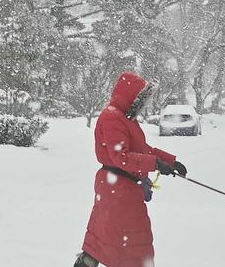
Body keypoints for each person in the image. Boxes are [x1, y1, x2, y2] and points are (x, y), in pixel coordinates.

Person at [74, 72, 186, 267]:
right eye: (141, 99)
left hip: (121, 189)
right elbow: (121, 157)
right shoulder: (112, 118)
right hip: (117, 189)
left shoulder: (125, 119)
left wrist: (170, 161)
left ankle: (87, 262)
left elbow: (143, 150)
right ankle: (87, 262)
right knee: (128, 245)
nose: (143, 105)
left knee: (109, 239)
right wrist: (154, 164)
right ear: (131, 97)